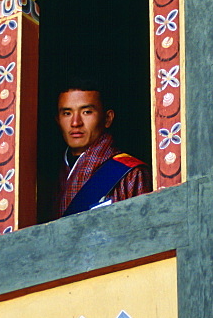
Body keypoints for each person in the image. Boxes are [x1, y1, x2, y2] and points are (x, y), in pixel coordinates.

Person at [54, 81, 151, 218]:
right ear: (58, 120)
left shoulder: (130, 174)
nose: (75, 122)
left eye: (86, 112)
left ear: (107, 118)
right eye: (67, 113)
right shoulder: (48, 178)